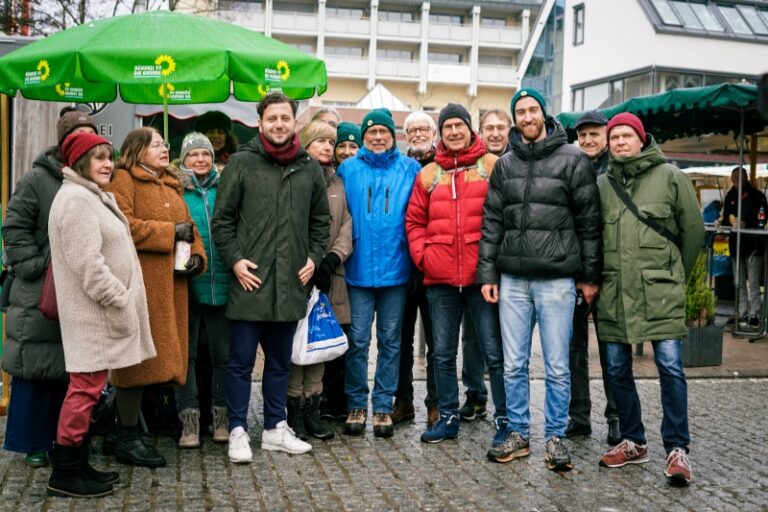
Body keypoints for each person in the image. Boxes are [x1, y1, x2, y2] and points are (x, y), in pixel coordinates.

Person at [479, 88, 602, 471]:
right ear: (516, 118)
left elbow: (589, 223)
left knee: (557, 365)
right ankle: (517, 432)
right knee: (513, 364)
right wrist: (488, 273)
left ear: (544, 115)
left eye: (533, 110)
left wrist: (589, 276)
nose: (527, 117)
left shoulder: (574, 159)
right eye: (521, 111)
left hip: (556, 280)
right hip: (513, 280)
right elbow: (492, 223)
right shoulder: (504, 165)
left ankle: (555, 438)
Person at [211, 92, 330, 463]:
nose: (279, 124)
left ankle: (276, 428)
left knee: (280, 363)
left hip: (290, 283)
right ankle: (237, 431)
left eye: (285, 118)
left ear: (295, 123)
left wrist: (313, 256)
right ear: (260, 122)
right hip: (252, 282)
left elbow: (320, 221)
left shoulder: (308, 166)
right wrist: (234, 262)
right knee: (240, 363)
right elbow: (222, 220)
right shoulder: (242, 164)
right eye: (272, 118)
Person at [596, 113, 704, 486]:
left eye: (627, 135)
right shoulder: (602, 185)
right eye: (615, 137)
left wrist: (675, 277)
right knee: (614, 370)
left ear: (642, 139)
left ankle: (678, 448)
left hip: (660, 292)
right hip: (613, 293)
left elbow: (693, 233)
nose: (621, 142)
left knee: (670, 368)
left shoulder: (672, 177)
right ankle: (633, 440)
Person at [46, 132, 156, 497]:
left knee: (88, 388)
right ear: (80, 163)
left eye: (110, 157)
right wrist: (120, 299)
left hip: (98, 315)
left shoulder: (89, 195)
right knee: (84, 390)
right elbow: (90, 267)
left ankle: (76, 463)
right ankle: (65, 470)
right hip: (95, 315)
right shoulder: (77, 201)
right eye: (99, 158)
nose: (109, 164)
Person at [406, 103, 507, 448]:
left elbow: (506, 216)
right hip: (441, 281)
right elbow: (414, 221)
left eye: (458, 125)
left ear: (469, 129)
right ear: (442, 133)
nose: (453, 132)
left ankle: (504, 417)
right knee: (442, 353)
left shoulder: (491, 166)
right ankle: (447, 416)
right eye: (447, 126)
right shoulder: (429, 174)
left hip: (482, 280)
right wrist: (425, 257)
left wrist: (494, 263)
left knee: (493, 353)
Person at [2, 108, 97, 469]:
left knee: (69, 367)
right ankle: (34, 442)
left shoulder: (94, 178)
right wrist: (36, 267)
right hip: (40, 289)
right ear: (65, 140)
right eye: (79, 134)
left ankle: (66, 438)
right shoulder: (36, 179)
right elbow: (14, 228)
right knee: (36, 367)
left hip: (77, 288)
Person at [107, 127, 206, 468]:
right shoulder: (123, 180)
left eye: (165, 144)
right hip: (138, 286)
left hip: (171, 289)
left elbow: (189, 228)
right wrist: (169, 233)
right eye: (157, 144)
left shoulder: (172, 185)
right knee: (133, 363)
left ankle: (131, 429)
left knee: (158, 362)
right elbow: (123, 226)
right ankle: (127, 436)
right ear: (136, 150)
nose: (165, 148)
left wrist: (196, 256)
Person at [338, 108, 421, 437]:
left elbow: (417, 215)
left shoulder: (411, 169)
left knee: (391, 341)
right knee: (357, 341)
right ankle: (356, 403)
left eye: (383, 132)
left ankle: (383, 406)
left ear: (392, 136)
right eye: (371, 132)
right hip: (357, 268)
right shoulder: (347, 169)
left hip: (395, 269)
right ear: (363, 137)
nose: (377, 137)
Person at [286, 121, 352, 442]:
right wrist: (308, 261)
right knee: (296, 347)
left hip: (329, 278)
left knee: (319, 347)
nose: (327, 147)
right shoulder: (294, 177)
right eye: (320, 141)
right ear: (307, 144)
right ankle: (294, 412)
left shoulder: (339, 182)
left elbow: (346, 228)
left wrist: (331, 259)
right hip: (299, 276)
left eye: (331, 142)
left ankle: (313, 411)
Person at [174, 132, 232, 448]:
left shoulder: (225, 189)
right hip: (190, 285)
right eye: (194, 154)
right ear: (184, 159)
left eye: (205, 154)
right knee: (188, 355)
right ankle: (190, 422)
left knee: (223, 355)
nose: (200, 159)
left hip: (223, 283)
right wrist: (185, 269)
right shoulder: (177, 191)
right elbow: (180, 234)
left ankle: (221, 419)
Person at [566, 110, 620, 445]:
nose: (587, 140)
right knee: (573, 349)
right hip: (574, 271)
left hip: (611, 271)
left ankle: (616, 416)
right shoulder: (571, 166)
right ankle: (579, 415)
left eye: (594, 134)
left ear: (606, 135)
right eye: (582, 135)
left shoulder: (617, 169)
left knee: (612, 349)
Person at [459, 108, 515, 423]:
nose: (494, 132)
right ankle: (476, 395)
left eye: (500, 127)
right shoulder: (472, 161)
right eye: (488, 127)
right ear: (479, 130)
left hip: (510, 262)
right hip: (475, 263)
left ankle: (507, 405)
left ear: (509, 129)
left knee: (505, 339)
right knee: (474, 335)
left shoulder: (517, 159)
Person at [393, 110, 437, 427]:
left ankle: (436, 403)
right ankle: (403, 401)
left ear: (433, 133)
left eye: (424, 129)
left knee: (438, 341)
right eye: (413, 130)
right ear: (405, 136)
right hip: (403, 265)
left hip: (435, 265)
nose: (419, 134)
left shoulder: (443, 165)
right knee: (401, 339)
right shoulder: (399, 167)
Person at [319, 121, 360, 420]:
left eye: (351, 146)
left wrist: (333, 257)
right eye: (339, 145)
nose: (345, 151)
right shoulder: (307, 176)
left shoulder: (340, 182)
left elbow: (346, 222)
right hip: (308, 271)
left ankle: (336, 402)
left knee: (340, 337)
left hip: (338, 270)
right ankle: (306, 402)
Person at [718, 167, 768, 327]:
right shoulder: (731, 195)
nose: (735, 180)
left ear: (745, 177)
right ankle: (741, 312)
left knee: (753, 282)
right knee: (738, 282)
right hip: (736, 244)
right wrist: (721, 222)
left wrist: (748, 224)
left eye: (738, 177)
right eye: (733, 177)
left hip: (753, 244)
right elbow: (726, 218)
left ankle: (754, 313)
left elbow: (762, 219)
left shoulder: (757, 196)